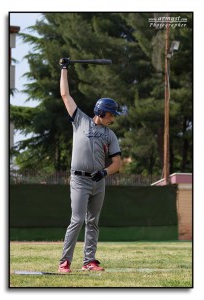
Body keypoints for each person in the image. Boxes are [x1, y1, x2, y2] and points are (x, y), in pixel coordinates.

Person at [58, 58, 122, 272]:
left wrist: (104, 173)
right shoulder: (81, 121)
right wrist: (64, 69)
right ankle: (64, 262)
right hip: (79, 180)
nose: (113, 118)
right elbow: (65, 95)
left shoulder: (110, 134)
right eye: (111, 114)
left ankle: (89, 261)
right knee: (77, 220)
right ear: (101, 112)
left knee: (93, 222)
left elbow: (117, 163)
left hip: (98, 181)